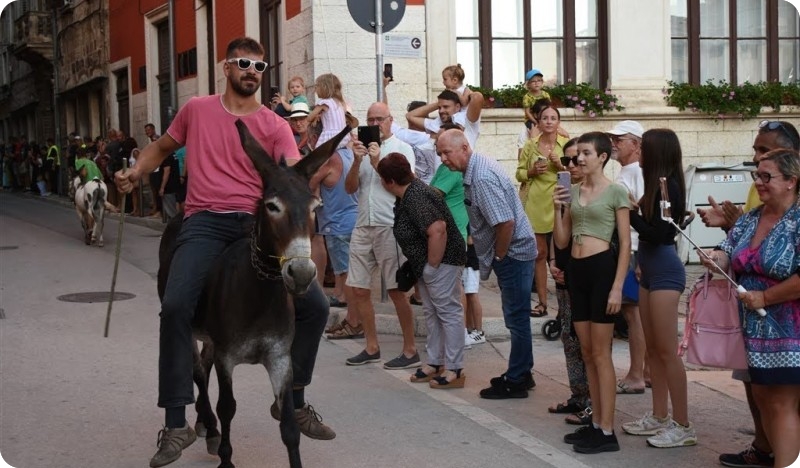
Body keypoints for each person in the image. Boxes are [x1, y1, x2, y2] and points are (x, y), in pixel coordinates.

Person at [114, 36, 334, 468]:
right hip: (203, 222)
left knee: (317, 308)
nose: (252, 71)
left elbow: (289, 171)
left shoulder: (273, 124)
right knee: (176, 306)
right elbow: (162, 149)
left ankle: (294, 398)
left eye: (259, 66)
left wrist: (313, 176)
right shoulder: (197, 110)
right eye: (243, 63)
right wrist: (136, 172)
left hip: (254, 227)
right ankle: (177, 421)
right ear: (226, 67)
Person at [696, 120, 800, 468]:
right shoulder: (751, 218)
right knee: (763, 399)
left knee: (782, 405)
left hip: (791, 331)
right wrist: (716, 258)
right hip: (754, 332)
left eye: (766, 176)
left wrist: (766, 299)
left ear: (791, 181)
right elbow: (729, 249)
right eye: (757, 174)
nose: (758, 182)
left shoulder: (798, 220)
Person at [436, 129, 537, 399]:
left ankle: (517, 379)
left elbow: (506, 223)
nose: (443, 159)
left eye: (447, 152)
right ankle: (522, 372)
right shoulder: (474, 171)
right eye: (439, 154)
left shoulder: (481, 177)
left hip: (514, 253)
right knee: (517, 317)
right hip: (513, 252)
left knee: (516, 319)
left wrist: (500, 257)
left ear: (464, 148)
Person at [553, 131, 631, 454]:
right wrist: (558, 208)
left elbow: (625, 244)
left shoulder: (616, 192)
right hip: (576, 271)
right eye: (577, 153)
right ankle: (596, 424)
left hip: (602, 271)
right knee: (587, 353)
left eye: (585, 153)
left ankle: (607, 430)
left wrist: (617, 288)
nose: (579, 159)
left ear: (602, 157)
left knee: (601, 354)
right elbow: (560, 241)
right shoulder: (572, 191)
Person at [622, 129, 696, 448]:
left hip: (665, 270)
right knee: (653, 350)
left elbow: (657, 232)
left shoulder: (668, 185)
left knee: (667, 351)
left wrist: (626, 213)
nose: (639, 150)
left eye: (644, 146)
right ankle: (659, 415)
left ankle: (683, 424)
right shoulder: (655, 184)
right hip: (649, 268)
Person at [377, 152, 467, 388]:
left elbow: (438, 229)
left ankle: (455, 369)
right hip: (428, 264)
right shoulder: (410, 194)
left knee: (448, 313)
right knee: (432, 313)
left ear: (389, 181)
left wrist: (432, 267)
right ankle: (436, 362)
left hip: (442, 262)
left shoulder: (416, 195)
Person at [343, 101, 420, 369]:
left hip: (390, 224)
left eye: (380, 119)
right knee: (358, 288)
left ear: (390, 120)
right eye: (370, 119)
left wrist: (377, 163)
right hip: (364, 223)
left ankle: (410, 349)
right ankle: (371, 346)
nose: (375, 125)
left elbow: (404, 189)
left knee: (397, 289)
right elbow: (350, 188)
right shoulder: (360, 151)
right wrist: (356, 162)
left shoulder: (402, 149)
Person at [547, 138, 591, 422]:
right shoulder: (566, 191)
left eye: (576, 159)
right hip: (563, 272)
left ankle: (591, 401)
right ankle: (578, 396)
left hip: (583, 274)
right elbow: (557, 230)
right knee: (568, 336)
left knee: (586, 340)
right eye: (566, 161)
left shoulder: (593, 195)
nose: (571, 166)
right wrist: (552, 261)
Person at [306, 119, 362, 339]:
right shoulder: (348, 155)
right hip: (351, 220)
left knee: (345, 273)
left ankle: (353, 322)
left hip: (337, 225)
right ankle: (350, 319)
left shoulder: (327, 160)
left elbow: (309, 183)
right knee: (347, 273)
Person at [606, 120, 648, 395]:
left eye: (619, 139)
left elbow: (642, 216)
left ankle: (636, 374)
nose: (614, 144)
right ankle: (644, 371)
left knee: (634, 314)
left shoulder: (637, 173)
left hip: (632, 249)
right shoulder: (628, 171)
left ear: (636, 144)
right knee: (635, 313)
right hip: (629, 248)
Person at [516, 104, 569, 317]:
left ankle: (565, 306)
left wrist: (561, 165)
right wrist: (531, 170)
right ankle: (542, 303)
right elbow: (519, 173)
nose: (548, 121)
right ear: (538, 122)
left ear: (558, 122)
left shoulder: (566, 145)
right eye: (544, 118)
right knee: (540, 254)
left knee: (562, 255)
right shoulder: (530, 145)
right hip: (536, 202)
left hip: (559, 201)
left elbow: (576, 173)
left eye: (553, 118)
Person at [405, 89, 484, 149]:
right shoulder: (437, 123)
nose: (441, 111)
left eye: (446, 107)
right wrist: (439, 102)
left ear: (457, 107)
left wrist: (463, 98)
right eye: (439, 108)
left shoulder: (467, 121)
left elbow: (477, 97)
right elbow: (410, 116)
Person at [307, 73, 350, 148]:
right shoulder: (339, 102)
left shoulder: (323, 102)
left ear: (324, 88)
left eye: (316, 86)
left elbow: (309, 118)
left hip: (330, 137)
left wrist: (314, 115)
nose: (315, 90)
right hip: (343, 136)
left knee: (319, 155)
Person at [145, 123, 163, 219]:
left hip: (158, 169)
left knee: (157, 190)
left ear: (153, 129)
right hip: (153, 168)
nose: (147, 132)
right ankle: (156, 208)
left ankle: (159, 210)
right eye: (146, 131)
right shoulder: (152, 140)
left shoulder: (156, 139)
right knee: (154, 190)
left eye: (148, 130)